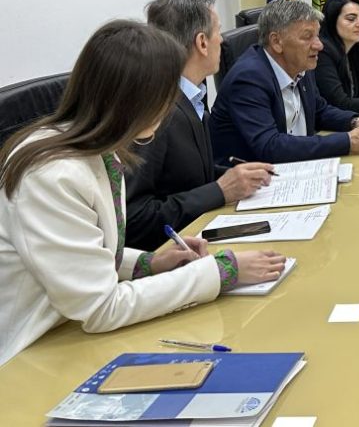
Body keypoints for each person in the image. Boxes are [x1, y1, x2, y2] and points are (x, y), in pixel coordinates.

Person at [0, 20, 286, 366]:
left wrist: (149, 263)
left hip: (67, 330)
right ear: (137, 99)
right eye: (167, 94)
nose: (171, 105)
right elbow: (100, 307)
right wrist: (221, 271)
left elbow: (84, 254)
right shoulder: (52, 176)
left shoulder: (101, 149)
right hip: (30, 355)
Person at [126, 0, 275, 251]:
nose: (223, 41)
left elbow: (186, 178)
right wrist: (220, 190)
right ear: (202, 42)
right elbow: (134, 220)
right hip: (168, 257)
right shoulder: (153, 114)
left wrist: (237, 177)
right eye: (219, 31)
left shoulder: (192, 96)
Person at [210, 0, 359, 164]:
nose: (319, 45)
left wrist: (357, 122)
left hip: (298, 168)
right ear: (277, 41)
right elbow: (270, 146)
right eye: (307, 37)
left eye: (317, 36)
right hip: (254, 185)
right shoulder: (248, 78)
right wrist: (348, 141)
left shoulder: (300, 65)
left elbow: (320, 110)